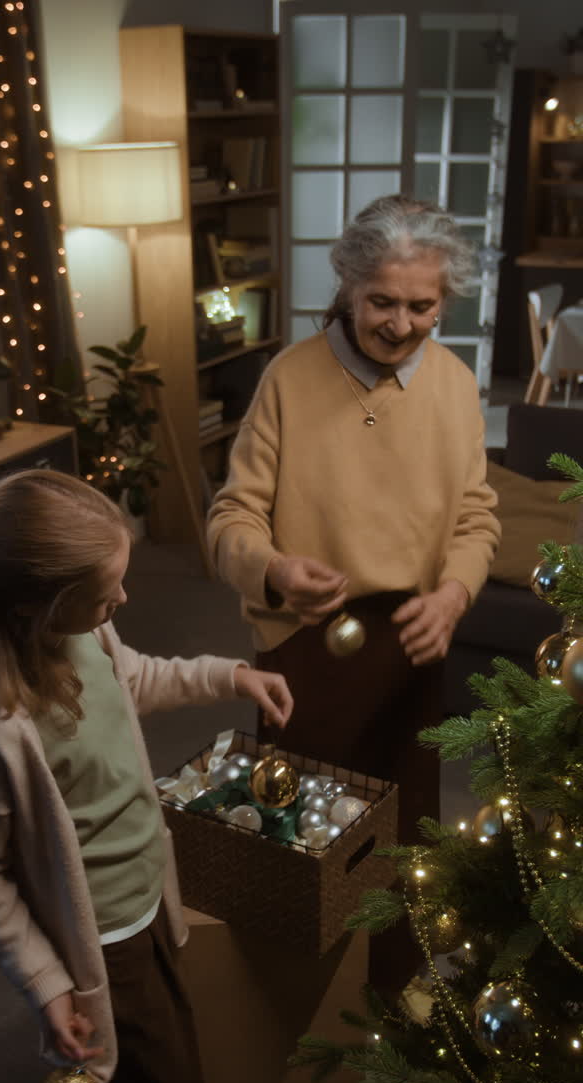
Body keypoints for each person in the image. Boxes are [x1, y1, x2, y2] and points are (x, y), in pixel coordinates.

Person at [0, 468, 292, 1083]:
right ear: (33, 605)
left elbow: (140, 677)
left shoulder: (87, 641)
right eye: (106, 594)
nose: (124, 604)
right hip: (103, 945)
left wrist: (228, 675)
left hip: (148, 905)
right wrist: (50, 982)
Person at [207, 195, 501, 985]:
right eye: (381, 302)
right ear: (347, 284)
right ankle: (297, 1033)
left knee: (404, 851)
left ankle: (396, 1014)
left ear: (444, 299)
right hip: (305, 649)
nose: (401, 323)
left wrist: (453, 599)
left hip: (413, 644)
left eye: (422, 305)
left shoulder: (454, 384)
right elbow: (231, 517)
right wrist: (272, 568)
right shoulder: (289, 379)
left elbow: (476, 519)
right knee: (303, 851)